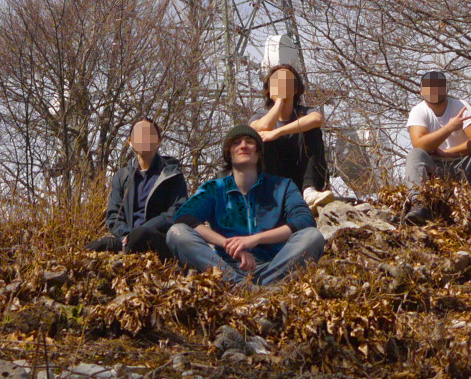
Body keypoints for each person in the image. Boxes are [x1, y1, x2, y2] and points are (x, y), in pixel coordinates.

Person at [166, 124, 326, 287]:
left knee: (312, 236)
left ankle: (248, 288)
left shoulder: (283, 186)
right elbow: (184, 216)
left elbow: (305, 220)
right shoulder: (214, 188)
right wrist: (229, 245)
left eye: (249, 141)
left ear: (259, 152)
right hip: (225, 267)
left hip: (274, 265)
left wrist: (254, 240)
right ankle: (246, 287)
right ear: (229, 154)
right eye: (236, 143)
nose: (243, 145)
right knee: (176, 232)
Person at [404, 70, 471, 208]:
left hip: (463, 167)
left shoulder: (460, 106)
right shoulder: (418, 111)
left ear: (446, 89)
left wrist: (448, 153)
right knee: (414, 154)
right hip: (436, 170)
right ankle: (418, 203)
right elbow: (419, 144)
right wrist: (449, 128)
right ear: (421, 92)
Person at [89, 116, 189, 257]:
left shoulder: (171, 174)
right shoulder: (121, 176)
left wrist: (142, 230)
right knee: (96, 246)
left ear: (158, 141)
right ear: (130, 142)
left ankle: (126, 252)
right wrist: (125, 235)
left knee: (141, 234)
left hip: (160, 240)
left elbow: (176, 212)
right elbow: (114, 215)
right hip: (128, 238)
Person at [251, 63, 329, 194]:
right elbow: (262, 128)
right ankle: (273, 194)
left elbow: (317, 120)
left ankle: (309, 190)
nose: (281, 85)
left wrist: (279, 131)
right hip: (275, 180)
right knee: (264, 136)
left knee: (312, 130)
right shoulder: (259, 116)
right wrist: (279, 102)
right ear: (269, 89)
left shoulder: (306, 112)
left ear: (295, 89)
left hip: (304, 177)